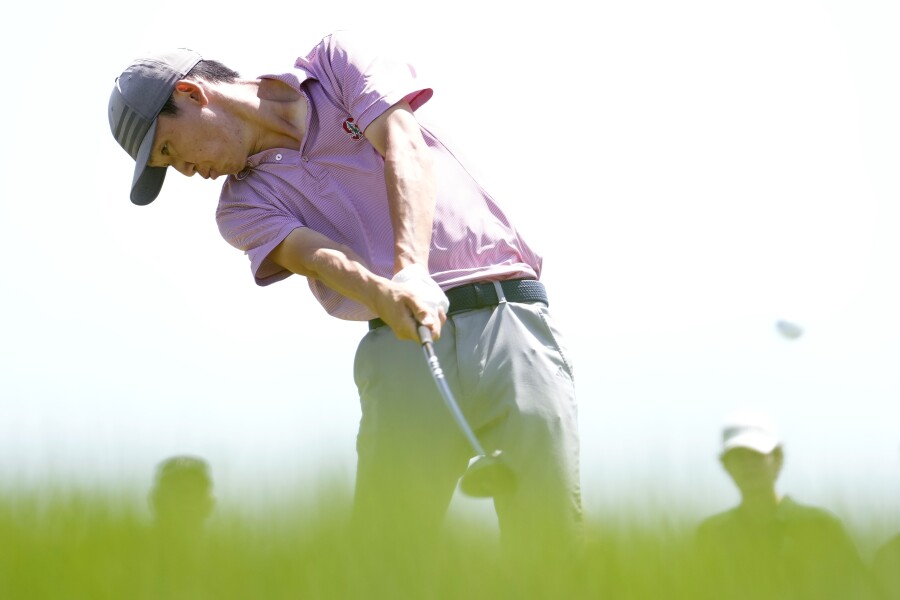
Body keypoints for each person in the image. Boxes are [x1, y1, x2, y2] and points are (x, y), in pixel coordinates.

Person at [107, 30, 583, 566]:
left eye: (169, 150)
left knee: (549, 541)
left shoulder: (333, 66)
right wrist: (386, 293)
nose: (185, 172)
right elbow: (317, 257)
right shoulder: (239, 208)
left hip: (504, 315)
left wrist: (411, 271)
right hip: (397, 343)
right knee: (386, 563)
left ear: (193, 95)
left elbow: (403, 146)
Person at [694, 411, 874, 600]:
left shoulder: (821, 526)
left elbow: (858, 591)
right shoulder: (711, 534)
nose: (747, 464)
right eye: (738, 456)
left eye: (756, 455)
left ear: (778, 459)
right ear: (726, 466)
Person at [149, 455, 216, 535]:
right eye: (177, 490)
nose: (187, 500)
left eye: (195, 490)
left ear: (209, 502)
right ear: (157, 500)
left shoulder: (222, 544)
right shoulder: (137, 543)